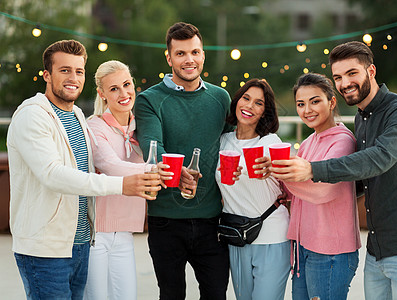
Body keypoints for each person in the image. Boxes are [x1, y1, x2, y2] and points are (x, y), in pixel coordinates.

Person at [273, 41, 397, 299]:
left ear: (371, 71)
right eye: (338, 77)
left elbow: (379, 158)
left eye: (352, 73)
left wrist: (311, 170)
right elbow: (359, 179)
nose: (344, 83)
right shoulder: (361, 117)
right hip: (376, 247)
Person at [7, 40, 160, 300]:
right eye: (64, 70)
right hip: (46, 250)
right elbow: (53, 175)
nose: (73, 78)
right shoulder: (32, 116)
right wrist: (122, 185)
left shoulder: (77, 115)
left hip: (79, 244)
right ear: (47, 75)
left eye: (79, 71)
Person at [134, 22, 233, 300]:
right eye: (180, 54)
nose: (189, 59)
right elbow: (153, 147)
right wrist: (178, 176)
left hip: (212, 220)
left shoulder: (220, 97)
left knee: (216, 295)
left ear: (203, 54)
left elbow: (232, 146)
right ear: (169, 57)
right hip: (166, 220)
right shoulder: (149, 100)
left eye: (195, 52)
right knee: (171, 294)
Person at [274, 73, 361, 300]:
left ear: (332, 102)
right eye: (301, 104)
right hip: (303, 247)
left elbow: (324, 189)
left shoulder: (343, 141)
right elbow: (297, 189)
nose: (307, 110)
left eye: (315, 101)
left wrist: (281, 175)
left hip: (331, 252)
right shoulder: (307, 143)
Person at [84, 60, 163, 300]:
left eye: (127, 84)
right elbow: (110, 165)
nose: (123, 93)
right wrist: (154, 168)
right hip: (97, 233)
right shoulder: (94, 126)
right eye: (114, 88)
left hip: (126, 230)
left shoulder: (143, 127)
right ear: (102, 94)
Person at [216, 79, 290, 300]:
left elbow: (291, 177)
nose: (249, 106)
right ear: (237, 101)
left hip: (271, 235)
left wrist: (275, 167)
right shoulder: (222, 141)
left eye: (258, 103)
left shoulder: (271, 143)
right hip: (237, 236)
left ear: (264, 112)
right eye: (246, 98)